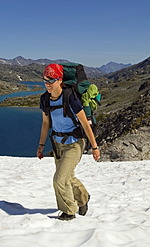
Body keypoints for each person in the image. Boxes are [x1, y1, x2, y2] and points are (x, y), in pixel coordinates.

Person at [36, 63, 100, 221]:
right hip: (58, 144)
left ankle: (69, 211)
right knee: (67, 177)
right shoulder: (45, 99)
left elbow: (85, 123)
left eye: (51, 80)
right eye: (45, 80)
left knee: (60, 179)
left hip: (74, 144)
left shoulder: (69, 97)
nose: (48, 84)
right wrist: (41, 145)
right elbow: (45, 123)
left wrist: (94, 147)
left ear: (60, 80)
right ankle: (83, 198)